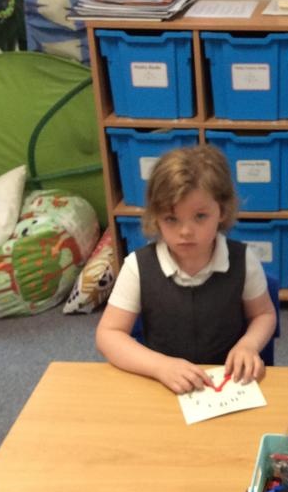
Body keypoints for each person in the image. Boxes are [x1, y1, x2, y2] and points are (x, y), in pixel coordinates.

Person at [96, 145, 277, 394]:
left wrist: (248, 345)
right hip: (163, 386)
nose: (185, 231)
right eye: (171, 219)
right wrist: (160, 366)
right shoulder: (137, 267)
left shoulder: (243, 260)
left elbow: (264, 314)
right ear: (156, 218)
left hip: (227, 385)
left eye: (200, 216)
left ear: (222, 211)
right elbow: (108, 334)